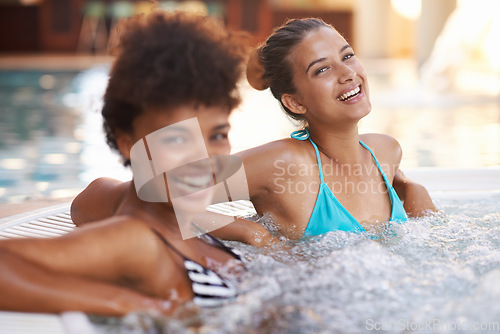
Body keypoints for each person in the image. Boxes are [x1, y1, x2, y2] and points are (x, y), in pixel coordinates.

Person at [0, 11, 266, 315]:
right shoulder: (139, 241)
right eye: (177, 139)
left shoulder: (158, 218)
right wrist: (137, 305)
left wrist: (240, 229)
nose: (204, 160)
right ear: (128, 142)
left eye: (217, 135)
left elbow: (92, 198)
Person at [240, 18, 436, 240]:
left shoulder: (385, 151)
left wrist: (413, 190)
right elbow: (192, 185)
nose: (348, 73)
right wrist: (252, 233)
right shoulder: (284, 164)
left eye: (347, 56)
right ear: (295, 102)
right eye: (322, 69)